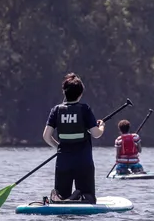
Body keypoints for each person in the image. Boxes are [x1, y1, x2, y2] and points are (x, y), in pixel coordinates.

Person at [42, 73, 106, 203]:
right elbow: (96, 134)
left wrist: (59, 147)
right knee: (89, 197)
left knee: (62, 196)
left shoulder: (56, 110)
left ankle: (61, 197)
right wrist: (102, 126)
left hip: (63, 161)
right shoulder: (85, 109)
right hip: (83, 161)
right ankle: (79, 195)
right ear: (80, 94)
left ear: (64, 93)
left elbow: (46, 136)